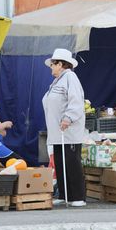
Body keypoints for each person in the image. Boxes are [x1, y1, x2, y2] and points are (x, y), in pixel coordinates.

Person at [42, 48, 86, 207]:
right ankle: (64, 193)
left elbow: (76, 101)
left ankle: (77, 196)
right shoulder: (58, 80)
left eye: (53, 64)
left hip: (68, 130)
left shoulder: (70, 77)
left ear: (61, 64)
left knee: (71, 161)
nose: (51, 67)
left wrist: (68, 117)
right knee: (60, 162)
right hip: (58, 131)